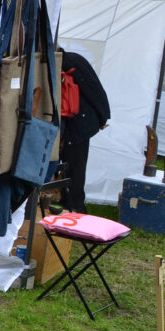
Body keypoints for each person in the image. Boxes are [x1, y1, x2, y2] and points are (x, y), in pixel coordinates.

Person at [59, 50, 110, 213]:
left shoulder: (71, 61)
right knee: (68, 164)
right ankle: (68, 202)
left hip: (79, 122)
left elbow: (94, 90)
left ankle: (75, 207)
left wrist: (102, 117)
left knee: (75, 166)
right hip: (70, 122)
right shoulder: (66, 61)